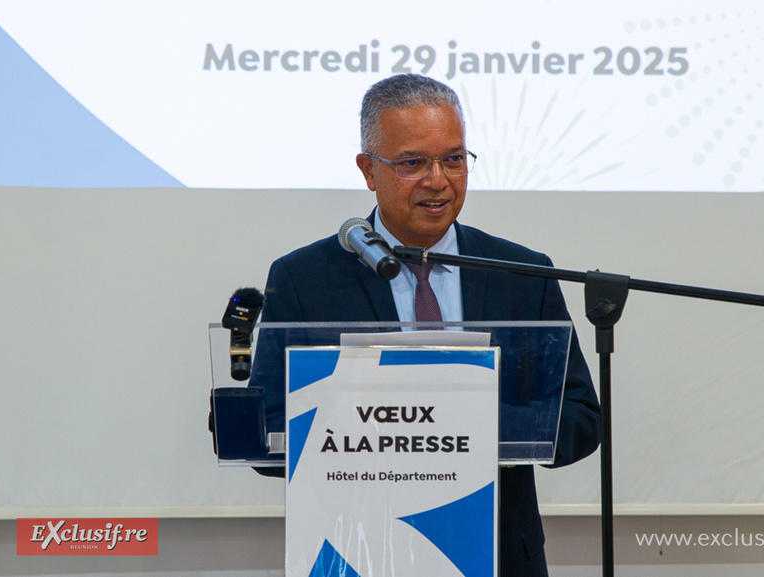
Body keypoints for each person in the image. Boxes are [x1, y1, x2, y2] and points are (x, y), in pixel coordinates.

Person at [250, 73, 601, 577]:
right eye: (413, 162)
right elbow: (268, 430)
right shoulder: (305, 278)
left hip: (498, 554)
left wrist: (469, 422)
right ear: (369, 170)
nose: (438, 180)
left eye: (454, 159)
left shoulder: (523, 274)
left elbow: (581, 420)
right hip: (358, 552)